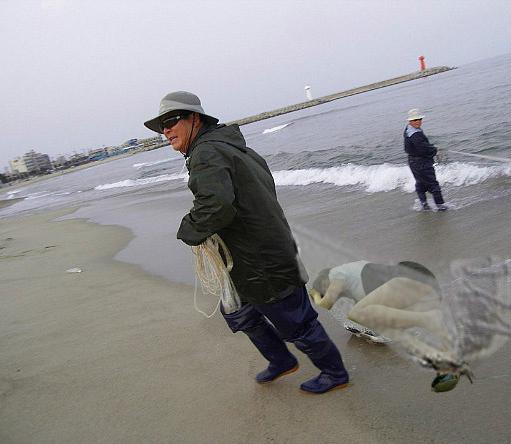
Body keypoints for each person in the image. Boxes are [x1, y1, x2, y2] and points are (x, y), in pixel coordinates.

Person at [143, 91, 348, 394]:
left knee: (296, 321)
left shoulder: (207, 153)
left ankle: (335, 373)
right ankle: (281, 360)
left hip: (263, 259)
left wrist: (189, 230)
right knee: (238, 310)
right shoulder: (232, 148)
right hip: (248, 256)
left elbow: (216, 205)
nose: (166, 130)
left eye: (172, 121)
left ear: (195, 119)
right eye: (162, 125)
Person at [310, 260, 459, 390]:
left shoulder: (337, 272)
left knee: (357, 313)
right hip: (424, 291)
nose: (328, 289)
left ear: (326, 276)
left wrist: (314, 293)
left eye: (324, 285)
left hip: (411, 278)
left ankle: (428, 321)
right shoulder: (359, 284)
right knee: (378, 317)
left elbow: (327, 303)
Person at [404, 109, 447, 211]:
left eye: (419, 119)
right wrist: (434, 150)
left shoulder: (408, 129)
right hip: (421, 162)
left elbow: (421, 146)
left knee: (420, 183)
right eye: (415, 120)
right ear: (410, 121)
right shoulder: (415, 135)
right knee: (433, 184)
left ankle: (424, 205)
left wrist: (430, 147)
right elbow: (423, 149)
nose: (418, 121)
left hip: (413, 161)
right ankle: (440, 206)